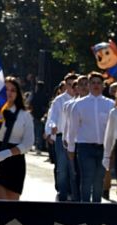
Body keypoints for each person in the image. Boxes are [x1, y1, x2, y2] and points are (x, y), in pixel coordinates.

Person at [0, 77, 35, 200]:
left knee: (10, 208)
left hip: (15, 161)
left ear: (17, 93)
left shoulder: (25, 115)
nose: (9, 93)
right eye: (5, 90)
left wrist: (9, 153)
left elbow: (28, 143)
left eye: (12, 90)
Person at [67, 72, 114, 202]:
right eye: (93, 83)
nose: (96, 85)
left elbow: (112, 130)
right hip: (85, 147)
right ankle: (85, 208)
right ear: (88, 85)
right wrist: (71, 149)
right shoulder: (79, 105)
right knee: (87, 179)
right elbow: (73, 129)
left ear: (103, 85)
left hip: (103, 148)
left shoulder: (110, 104)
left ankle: (96, 209)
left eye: (99, 83)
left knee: (99, 180)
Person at [46, 72, 77, 201]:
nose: (71, 87)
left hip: (76, 139)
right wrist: (51, 128)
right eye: (69, 85)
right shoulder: (59, 100)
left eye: (73, 84)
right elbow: (52, 118)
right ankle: (62, 193)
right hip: (61, 137)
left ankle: (74, 194)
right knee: (62, 167)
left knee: (74, 168)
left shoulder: (81, 99)